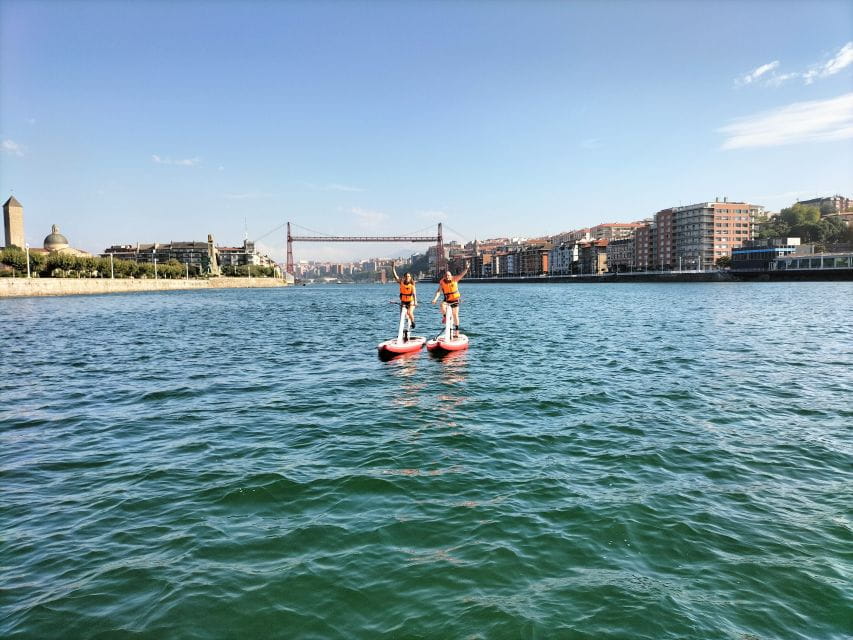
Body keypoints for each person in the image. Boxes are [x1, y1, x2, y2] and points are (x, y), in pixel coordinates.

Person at [431, 264, 469, 338]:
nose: (447, 277)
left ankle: (457, 330)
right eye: (446, 275)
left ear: (451, 276)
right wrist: (435, 299)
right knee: (442, 305)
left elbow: (462, 274)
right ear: (444, 276)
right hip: (447, 299)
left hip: (455, 299)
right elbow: (438, 291)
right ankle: (445, 317)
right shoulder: (442, 282)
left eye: (449, 275)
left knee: (455, 314)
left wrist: (466, 268)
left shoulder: (455, 279)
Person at [391, 265, 417, 332]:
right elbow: (395, 276)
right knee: (403, 315)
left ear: (410, 278)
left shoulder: (412, 285)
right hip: (403, 302)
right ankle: (404, 329)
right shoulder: (401, 282)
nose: (407, 277)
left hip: (411, 301)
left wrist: (415, 302)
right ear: (404, 277)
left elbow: (414, 294)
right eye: (406, 276)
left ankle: (413, 322)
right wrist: (393, 268)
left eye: (408, 276)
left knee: (409, 312)